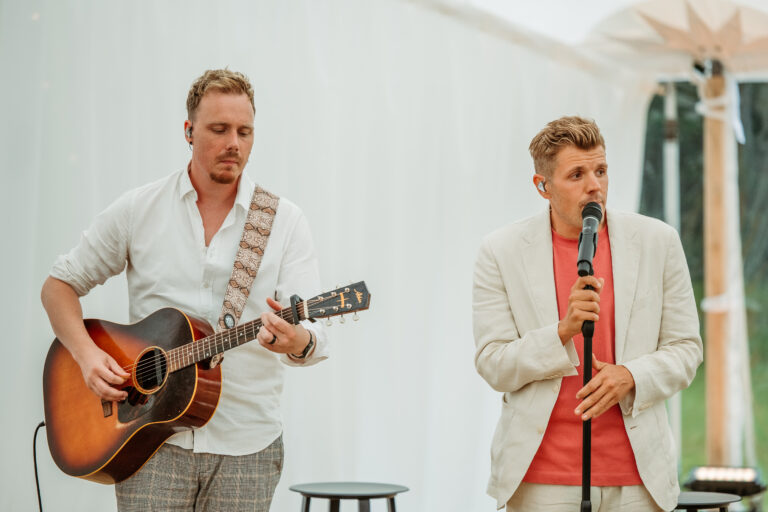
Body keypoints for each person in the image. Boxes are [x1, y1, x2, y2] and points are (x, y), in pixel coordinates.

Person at [40, 69, 327, 511]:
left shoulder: (283, 221)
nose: (234, 143)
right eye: (219, 129)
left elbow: (313, 335)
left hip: (247, 446)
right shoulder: (140, 209)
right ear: (189, 131)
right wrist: (86, 355)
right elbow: (58, 286)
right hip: (147, 442)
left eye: (244, 131)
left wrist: (297, 341)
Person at [472, 116, 702, 511]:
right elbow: (493, 363)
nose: (594, 185)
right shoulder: (500, 251)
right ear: (542, 186)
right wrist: (562, 331)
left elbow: (686, 349)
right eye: (576, 175)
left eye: (601, 170)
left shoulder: (658, 242)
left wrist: (630, 376)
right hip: (541, 480)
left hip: (638, 479)